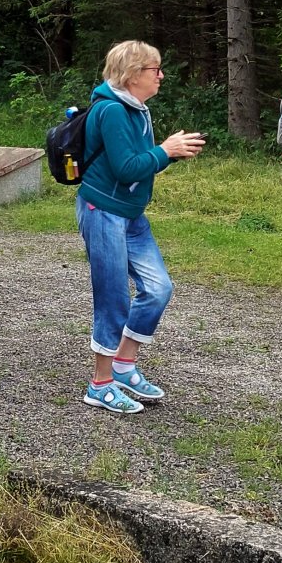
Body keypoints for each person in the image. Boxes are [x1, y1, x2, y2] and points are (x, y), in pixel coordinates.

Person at [75, 40, 206, 414]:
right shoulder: (113, 111)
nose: (161, 76)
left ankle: (123, 364)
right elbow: (126, 169)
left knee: (158, 287)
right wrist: (165, 150)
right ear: (133, 75)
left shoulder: (136, 109)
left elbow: (141, 162)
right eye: (155, 69)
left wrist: (170, 153)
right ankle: (99, 385)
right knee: (113, 297)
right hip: (103, 211)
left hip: (131, 214)